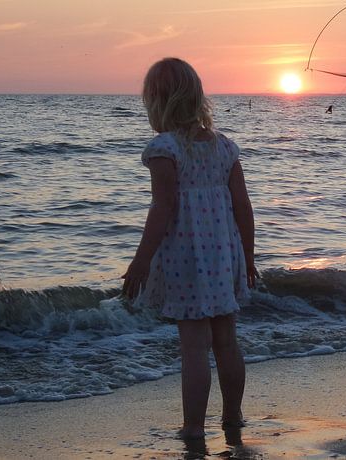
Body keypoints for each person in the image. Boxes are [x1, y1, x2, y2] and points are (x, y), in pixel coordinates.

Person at [121, 57, 258, 439]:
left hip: (187, 257)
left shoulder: (165, 148)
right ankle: (232, 415)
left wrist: (141, 260)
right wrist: (248, 257)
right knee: (226, 341)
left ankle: (194, 427)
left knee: (195, 347)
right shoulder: (224, 148)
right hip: (224, 255)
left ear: (157, 103)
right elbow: (243, 206)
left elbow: (162, 208)